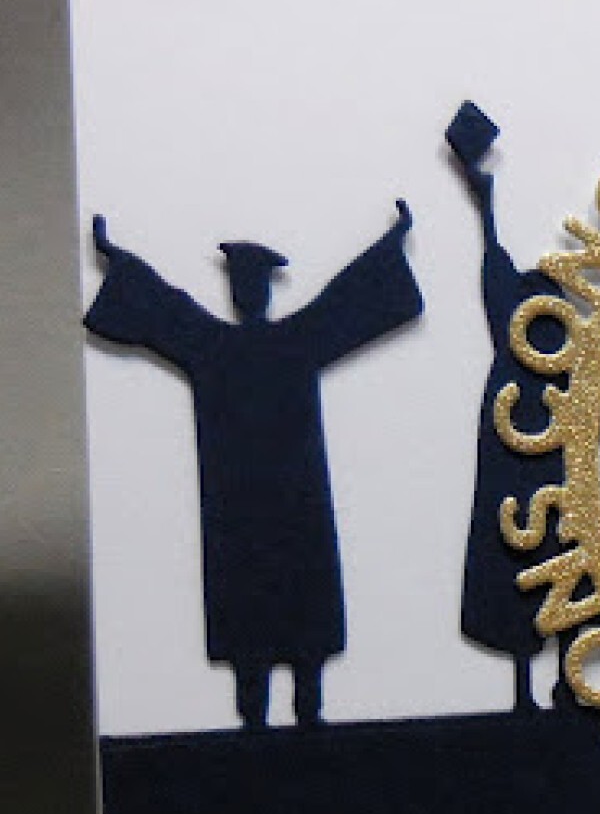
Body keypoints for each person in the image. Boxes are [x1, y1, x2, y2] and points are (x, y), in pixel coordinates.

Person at [84, 201, 422, 728]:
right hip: (244, 510)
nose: (248, 293)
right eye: (244, 284)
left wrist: (393, 242)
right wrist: (116, 257)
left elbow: (344, 297)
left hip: (284, 506)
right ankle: (261, 722)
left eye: (253, 283)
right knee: (254, 625)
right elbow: (166, 305)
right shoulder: (230, 347)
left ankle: (302, 716)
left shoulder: (248, 346)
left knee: (292, 621)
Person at [449, 101, 574, 713]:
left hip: (545, 485)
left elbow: (597, 420)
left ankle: (558, 680)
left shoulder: (555, 364)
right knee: (529, 574)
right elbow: (494, 264)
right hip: (520, 483)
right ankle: (543, 682)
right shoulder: (534, 357)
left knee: (559, 571)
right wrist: (485, 205)